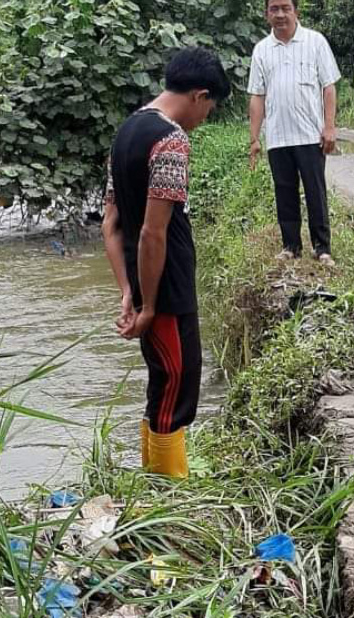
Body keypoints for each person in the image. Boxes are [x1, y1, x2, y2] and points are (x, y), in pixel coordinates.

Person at [102, 47, 231, 478]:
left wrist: (128, 291)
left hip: (145, 283)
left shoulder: (127, 131)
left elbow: (111, 223)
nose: (205, 118)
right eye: (209, 108)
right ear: (198, 95)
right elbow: (152, 232)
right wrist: (151, 304)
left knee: (164, 383)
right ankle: (170, 489)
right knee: (178, 381)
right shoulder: (171, 139)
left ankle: (155, 486)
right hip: (167, 287)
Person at [248, 0, 341, 266]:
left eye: (285, 8)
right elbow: (257, 95)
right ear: (266, 14)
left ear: (296, 11)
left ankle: (322, 248)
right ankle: (291, 246)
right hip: (278, 137)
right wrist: (254, 138)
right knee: (284, 192)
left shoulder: (315, 42)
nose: (280, 14)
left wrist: (330, 127)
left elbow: (328, 87)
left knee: (315, 192)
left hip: (310, 135)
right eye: (274, 9)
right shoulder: (261, 50)